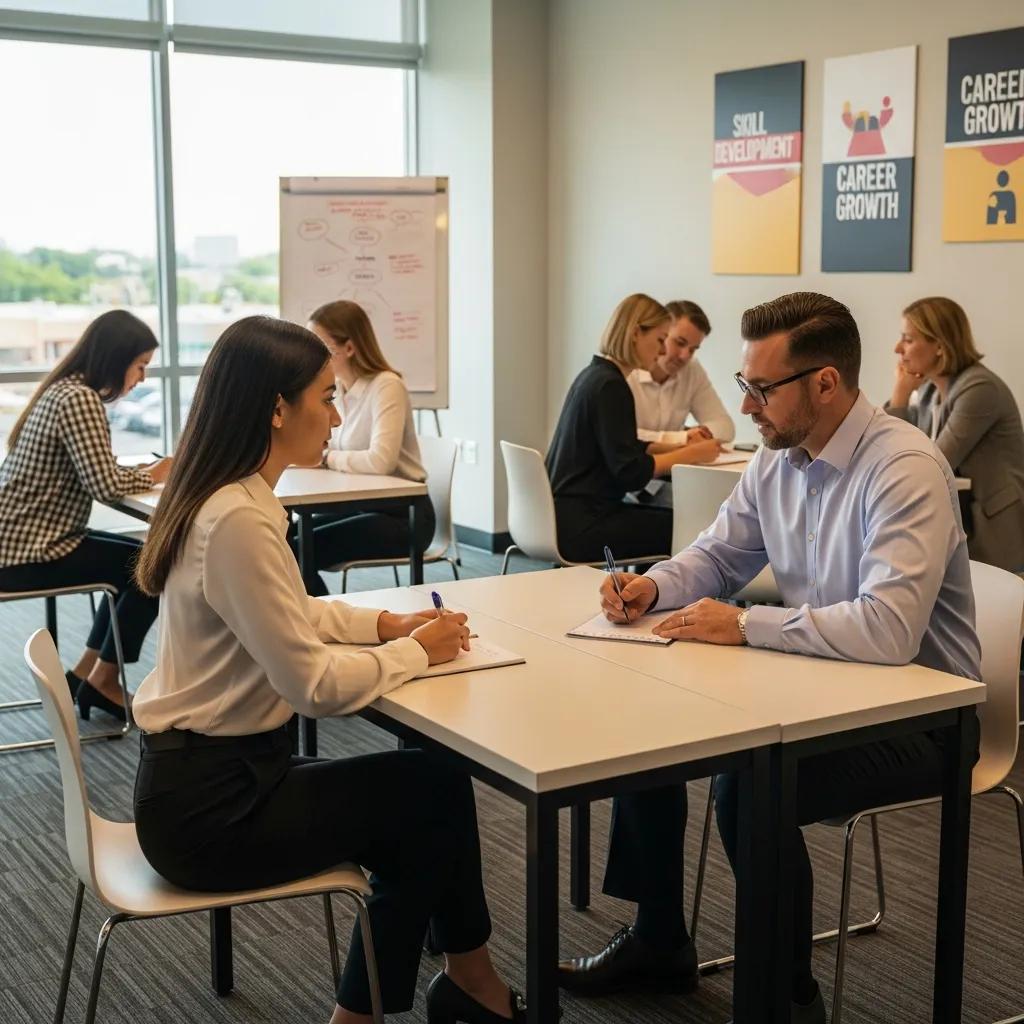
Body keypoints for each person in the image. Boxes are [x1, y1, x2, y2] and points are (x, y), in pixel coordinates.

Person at [565, 292, 981, 1024]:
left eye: (761, 389)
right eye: (744, 384)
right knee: (652, 724)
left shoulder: (904, 467)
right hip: (816, 685)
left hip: (922, 717)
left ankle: (785, 999)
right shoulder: (778, 456)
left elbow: (888, 632)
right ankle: (659, 941)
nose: (746, 406)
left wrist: (744, 622)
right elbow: (719, 554)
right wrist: (654, 585)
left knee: (750, 781)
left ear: (825, 383)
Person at [132, 315, 527, 1024]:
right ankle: (432, 995)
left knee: (428, 787)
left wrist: (387, 625)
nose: (337, 415)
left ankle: (466, 983)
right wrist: (418, 652)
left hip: (211, 776)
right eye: (325, 397)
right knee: (428, 796)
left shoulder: (229, 497)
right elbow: (312, 687)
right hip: (212, 814)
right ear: (277, 410)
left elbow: (293, 612)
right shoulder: (237, 521)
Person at [0, 310, 172, 720]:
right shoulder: (80, 399)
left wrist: (144, 472)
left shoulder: (62, 390)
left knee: (140, 559)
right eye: (140, 365)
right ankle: (102, 680)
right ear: (116, 358)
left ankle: (86, 675)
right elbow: (106, 485)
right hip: (26, 554)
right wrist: (157, 473)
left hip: (22, 543)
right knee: (152, 569)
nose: (143, 377)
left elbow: (96, 472)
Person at [545, 293, 720, 563]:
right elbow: (630, 472)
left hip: (562, 517)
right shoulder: (612, 386)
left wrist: (681, 444)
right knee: (688, 529)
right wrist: (691, 454)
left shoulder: (594, 375)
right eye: (661, 340)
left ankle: (651, 586)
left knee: (673, 522)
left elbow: (623, 445)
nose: (662, 352)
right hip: (584, 525)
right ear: (636, 333)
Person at [300, 300, 434, 596]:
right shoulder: (339, 389)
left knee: (300, 552)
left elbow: (380, 461)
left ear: (349, 347)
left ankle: (317, 619)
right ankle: (314, 616)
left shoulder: (387, 386)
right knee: (286, 540)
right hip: (361, 505)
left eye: (322, 346)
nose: (313, 355)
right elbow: (333, 447)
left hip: (405, 516)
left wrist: (327, 458)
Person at [887, 296, 1024, 573]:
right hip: (957, 522)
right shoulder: (929, 391)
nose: (898, 348)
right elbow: (894, 450)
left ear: (940, 345)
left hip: (993, 530)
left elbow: (932, 463)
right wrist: (901, 396)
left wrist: (901, 396)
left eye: (908, 339)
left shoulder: (980, 388)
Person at [627, 299, 735, 505]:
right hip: (628, 485)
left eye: (693, 349)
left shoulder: (692, 370)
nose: (685, 356)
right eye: (679, 342)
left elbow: (725, 427)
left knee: (720, 505)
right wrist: (683, 438)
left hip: (666, 481)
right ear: (662, 334)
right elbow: (623, 438)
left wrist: (699, 435)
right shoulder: (626, 372)